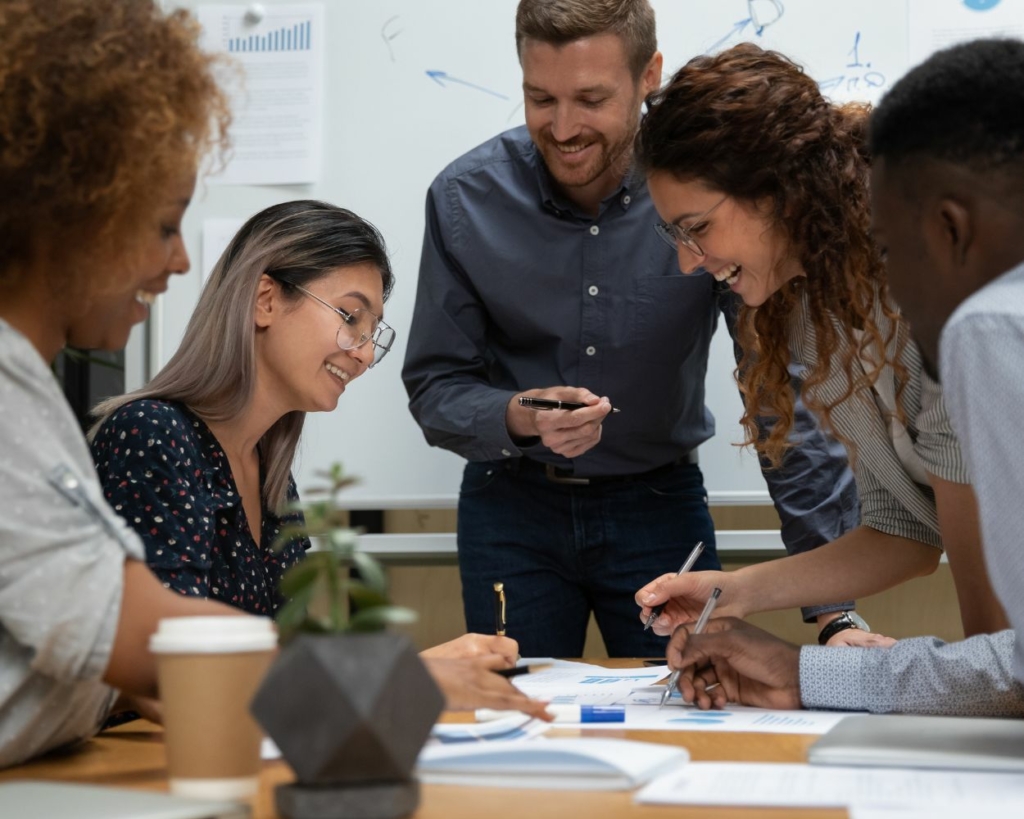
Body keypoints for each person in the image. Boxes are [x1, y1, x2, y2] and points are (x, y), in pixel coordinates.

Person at [0, 1, 542, 770]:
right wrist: (404, 678)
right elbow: (162, 650)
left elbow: (270, 650)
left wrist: (414, 668)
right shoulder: (106, 423)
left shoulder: (259, 461)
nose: (182, 261)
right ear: (75, 208)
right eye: (162, 224)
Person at [401, 0, 858, 658]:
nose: (561, 127)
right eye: (539, 98)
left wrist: (835, 613)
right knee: (516, 720)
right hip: (510, 507)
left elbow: (781, 397)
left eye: (590, 98)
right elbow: (435, 385)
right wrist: (521, 415)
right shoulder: (463, 199)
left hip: (658, 504)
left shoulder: (705, 200)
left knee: (684, 708)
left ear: (649, 77)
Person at [662, 38, 1024, 717]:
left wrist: (801, 673)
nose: (688, 263)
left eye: (697, 228)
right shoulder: (811, 311)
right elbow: (904, 528)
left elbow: (1005, 668)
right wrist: (737, 593)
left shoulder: (963, 313)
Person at [90, 200, 526, 668]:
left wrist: (421, 671)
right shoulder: (152, 434)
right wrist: (412, 675)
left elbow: (283, 670)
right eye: (350, 317)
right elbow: (172, 664)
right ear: (266, 301)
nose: (362, 354)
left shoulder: (271, 475)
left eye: (373, 332)